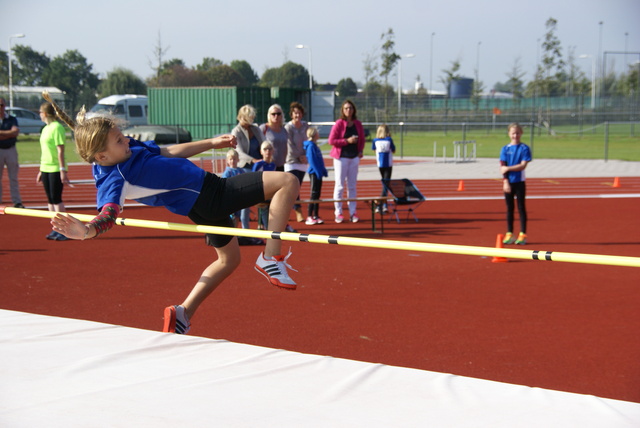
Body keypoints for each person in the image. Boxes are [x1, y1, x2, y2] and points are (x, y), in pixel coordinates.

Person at [44, 92, 300, 336]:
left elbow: (167, 151)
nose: (126, 141)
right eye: (119, 141)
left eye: (122, 136)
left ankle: (182, 313)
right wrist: (88, 231)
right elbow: (108, 214)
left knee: (228, 260)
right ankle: (271, 257)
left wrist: (211, 143)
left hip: (202, 204)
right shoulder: (114, 178)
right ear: (102, 155)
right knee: (287, 181)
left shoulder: (128, 150)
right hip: (212, 194)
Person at [37, 101, 72, 240]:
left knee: (57, 199)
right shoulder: (45, 128)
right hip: (45, 167)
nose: (39, 115)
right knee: (50, 200)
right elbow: (44, 151)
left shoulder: (57, 128)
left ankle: (64, 230)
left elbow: (60, 150)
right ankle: (55, 228)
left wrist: (62, 169)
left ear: (45, 114)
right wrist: (40, 170)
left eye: (40, 112)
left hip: (55, 168)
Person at [328, 99, 365, 223]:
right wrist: (346, 141)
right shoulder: (339, 123)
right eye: (346, 108)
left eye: (350, 108)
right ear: (343, 110)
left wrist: (360, 150)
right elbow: (331, 140)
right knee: (339, 185)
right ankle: (338, 212)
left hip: (354, 157)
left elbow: (362, 139)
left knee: (352, 186)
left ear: (353, 110)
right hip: (341, 157)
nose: (348, 110)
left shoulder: (357, 124)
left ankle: (353, 212)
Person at [500, 122, 532, 245]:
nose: (515, 135)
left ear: (521, 133)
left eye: (517, 133)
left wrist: (508, 169)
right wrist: (505, 181)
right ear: (509, 134)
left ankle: (522, 234)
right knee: (509, 208)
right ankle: (509, 233)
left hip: (520, 182)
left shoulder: (524, 148)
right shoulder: (505, 149)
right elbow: (502, 166)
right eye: (513, 133)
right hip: (508, 182)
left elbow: (523, 165)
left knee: (521, 207)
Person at [284, 101, 309, 222]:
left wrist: (305, 156)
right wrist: (300, 156)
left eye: (299, 113)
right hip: (291, 160)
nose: (297, 115)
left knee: (297, 187)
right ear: (291, 115)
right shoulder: (288, 127)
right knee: (293, 186)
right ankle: (296, 209)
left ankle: (290, 208)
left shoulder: (305, 126)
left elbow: (309, 140)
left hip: (303, 161)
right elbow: (290, 145)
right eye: (295, 113)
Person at [0, 98, 24, 208]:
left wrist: (3, 134)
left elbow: (15, 132)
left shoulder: (11, 119)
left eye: (2, 105)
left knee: (13, 177)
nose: (0, 107)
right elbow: (11, 132)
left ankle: (17, 201)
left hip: (11, 150)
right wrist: (8, 134)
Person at [221, 149, 251, 230]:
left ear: (238, 160)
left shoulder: (241, 171)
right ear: (227, 161)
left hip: (240, 198)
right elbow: (224, 185)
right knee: (232, 217)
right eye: (230, 159)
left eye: (234, 159)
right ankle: (231, 233)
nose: (232, 161)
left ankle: (236, 232)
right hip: (231, 199)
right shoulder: (227, 172)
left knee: (239, 216)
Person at [303, 126, 327, 225]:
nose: (319, 135)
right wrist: (318, 171)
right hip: (314, 172)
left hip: (318, 172)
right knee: (313, 194)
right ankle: (309, 216)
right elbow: (312, 161)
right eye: (317, 133)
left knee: (317, 195)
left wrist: (323, 170)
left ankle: (316, 215)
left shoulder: (315, 146)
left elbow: (320, 160)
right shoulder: (311, 146)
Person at [231, 105, 265, 172]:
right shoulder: (236, 131)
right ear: (242, 117)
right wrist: (253, 160)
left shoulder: (256, 129)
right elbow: (238, 151)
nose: (252, 118)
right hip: (245, 167)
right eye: (250, 117)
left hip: (260, 165)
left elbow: (264, 144)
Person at [371, 124, 396, 214]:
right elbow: (393, 149)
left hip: (380, 165)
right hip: (388, 164)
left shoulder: (375, 140)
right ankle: (380, 203)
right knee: (386, 184)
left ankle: (383, 204)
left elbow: (373, 149)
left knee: (385, 184)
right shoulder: (389, 140)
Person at [253, 141, 277, 229]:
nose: (268, 151)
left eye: (270, 149)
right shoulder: (258, 165)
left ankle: (266, 226)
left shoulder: (273, 165)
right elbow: (253, 179)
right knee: (264, 209)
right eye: (265, 149)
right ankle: (266, 228)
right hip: (260, 192)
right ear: (261, 152)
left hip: (270, 191)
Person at [259, 104, 287, 172]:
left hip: (281, 165)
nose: (276, 116)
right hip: (268, 165)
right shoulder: (264, 128)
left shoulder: (284, 129)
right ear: (269, 115)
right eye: (273, 114)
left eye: (278, 114)